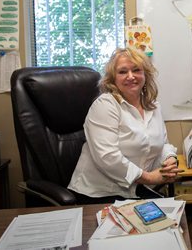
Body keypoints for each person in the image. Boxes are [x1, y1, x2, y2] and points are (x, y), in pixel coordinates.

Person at [68, 47, 182, 203]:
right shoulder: (105, 105)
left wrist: (170, 159)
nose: (130, 76)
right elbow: (108, 157)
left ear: (145, 75)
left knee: (174, 219)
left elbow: (163, 144)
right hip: (100, 193)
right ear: (113, 79)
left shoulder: (152, 105)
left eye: (136, 70)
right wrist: (149, 178)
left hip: (135, 190)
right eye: (122, 72)